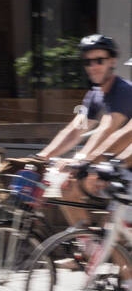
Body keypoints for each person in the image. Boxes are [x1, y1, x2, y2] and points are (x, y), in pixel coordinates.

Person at [36, 35, 132, 228]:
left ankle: (101, 252)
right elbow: (74, 129)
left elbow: (108, 129)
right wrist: (41, 157)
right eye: (88, 62)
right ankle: (87, 246)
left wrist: (81, 160)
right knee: (66, 186)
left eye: (99, 60)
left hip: (124, 168)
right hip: (115, 167)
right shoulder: (94, 95)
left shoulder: (123, 90)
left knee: (114, 228)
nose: (93, 66)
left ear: (112, 62)